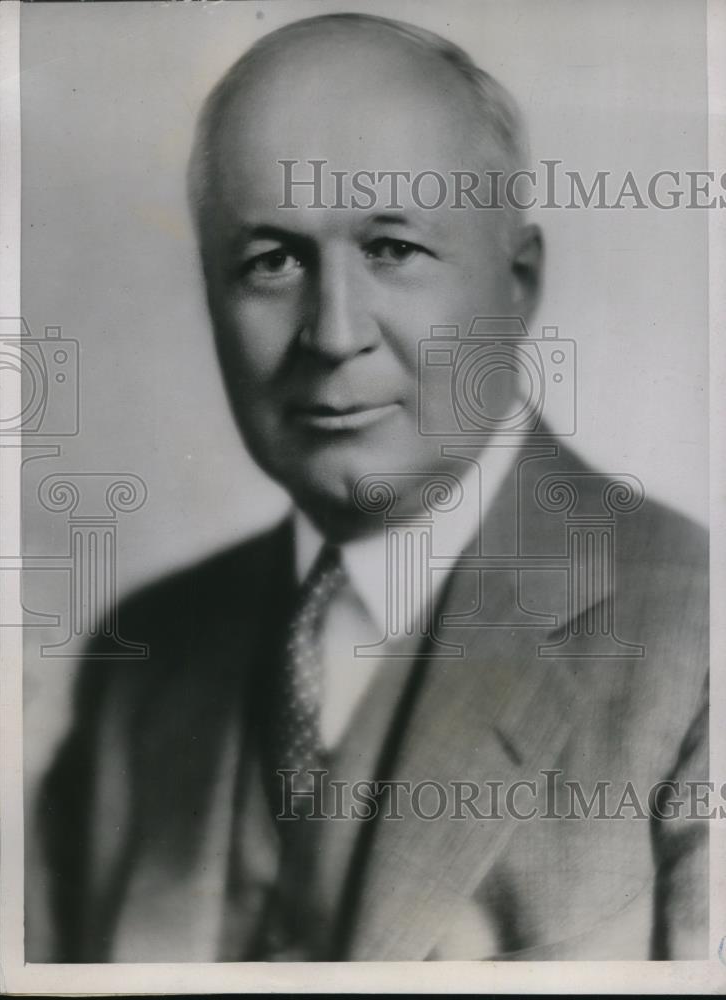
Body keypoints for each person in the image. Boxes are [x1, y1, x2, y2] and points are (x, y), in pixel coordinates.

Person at [36, 12, 708, 962]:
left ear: (518, 284)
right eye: (271, 261)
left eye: (391, 248)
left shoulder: (696, 638)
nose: (332, 332)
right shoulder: (142, 663)